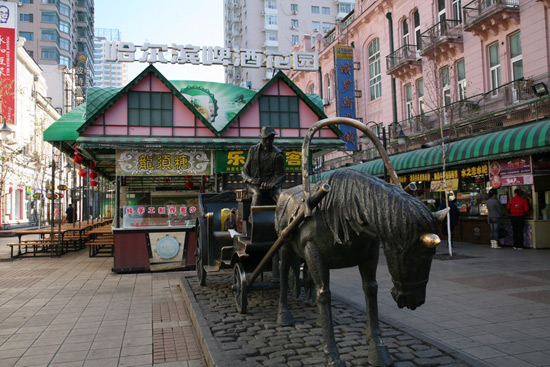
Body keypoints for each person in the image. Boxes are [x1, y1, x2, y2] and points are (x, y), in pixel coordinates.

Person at [241, 126, 286, 207]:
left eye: (271, 139)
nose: (268, 141)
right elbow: (244, 171)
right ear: (261, 138)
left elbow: (281, 175)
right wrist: (251, 180)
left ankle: (282, 219)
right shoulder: (253, 150)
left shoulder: (278, 154)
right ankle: (253, 218)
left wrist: (272, 184)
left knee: (281, 199)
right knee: (257, 194)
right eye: (266, 139)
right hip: (255, 184)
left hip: (272, 186)